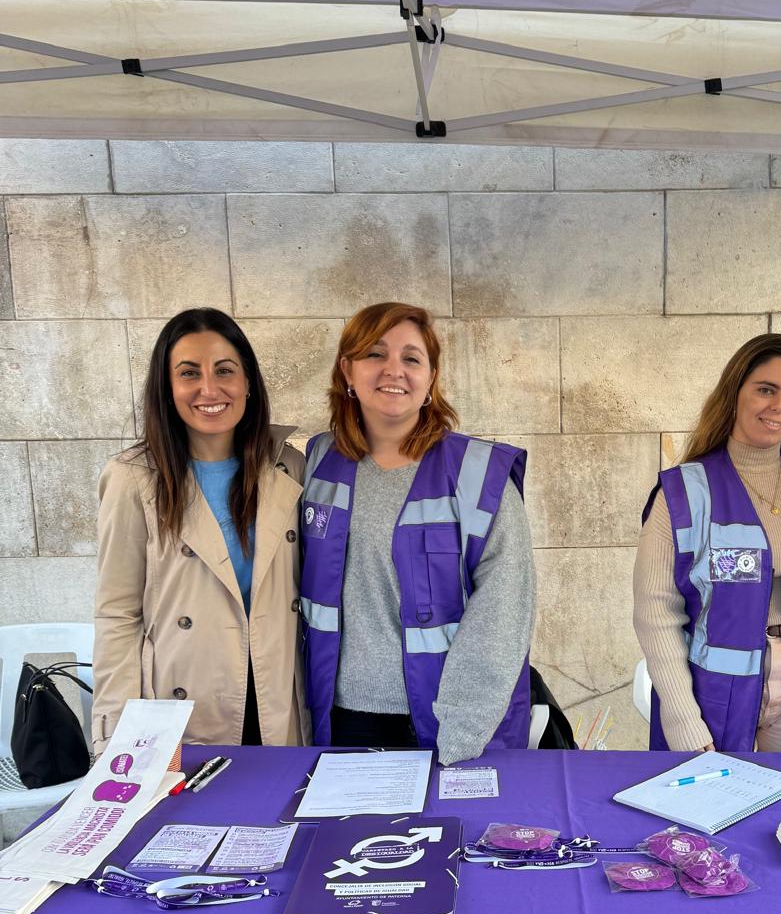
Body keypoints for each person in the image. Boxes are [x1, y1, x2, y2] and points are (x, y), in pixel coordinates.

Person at [300, 302, 534, 762]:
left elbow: (504, 609)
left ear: (431, 377)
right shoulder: (316, 462)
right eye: (374, 354)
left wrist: (463, 731)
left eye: (411, 358)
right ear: (347, 369)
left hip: (444, 723)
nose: (394, 370)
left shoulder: (478, 473)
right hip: (338, 717)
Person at [634, 333, 781, 753]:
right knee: (713, 812)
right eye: (765, 390)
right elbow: (656, 615)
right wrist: (683, 719)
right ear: (734, 392)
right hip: (714, 700)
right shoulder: (685, 492)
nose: (780, 407)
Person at [93, 309, 309, 750]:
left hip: (276, 698)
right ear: (168, 388)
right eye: (189, 373)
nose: (209, 389)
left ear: (247, 381)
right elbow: (118, 614)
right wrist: (114, 736)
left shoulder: (288, 465)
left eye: (224, 371)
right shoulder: (132, 478)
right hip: (183, 705)